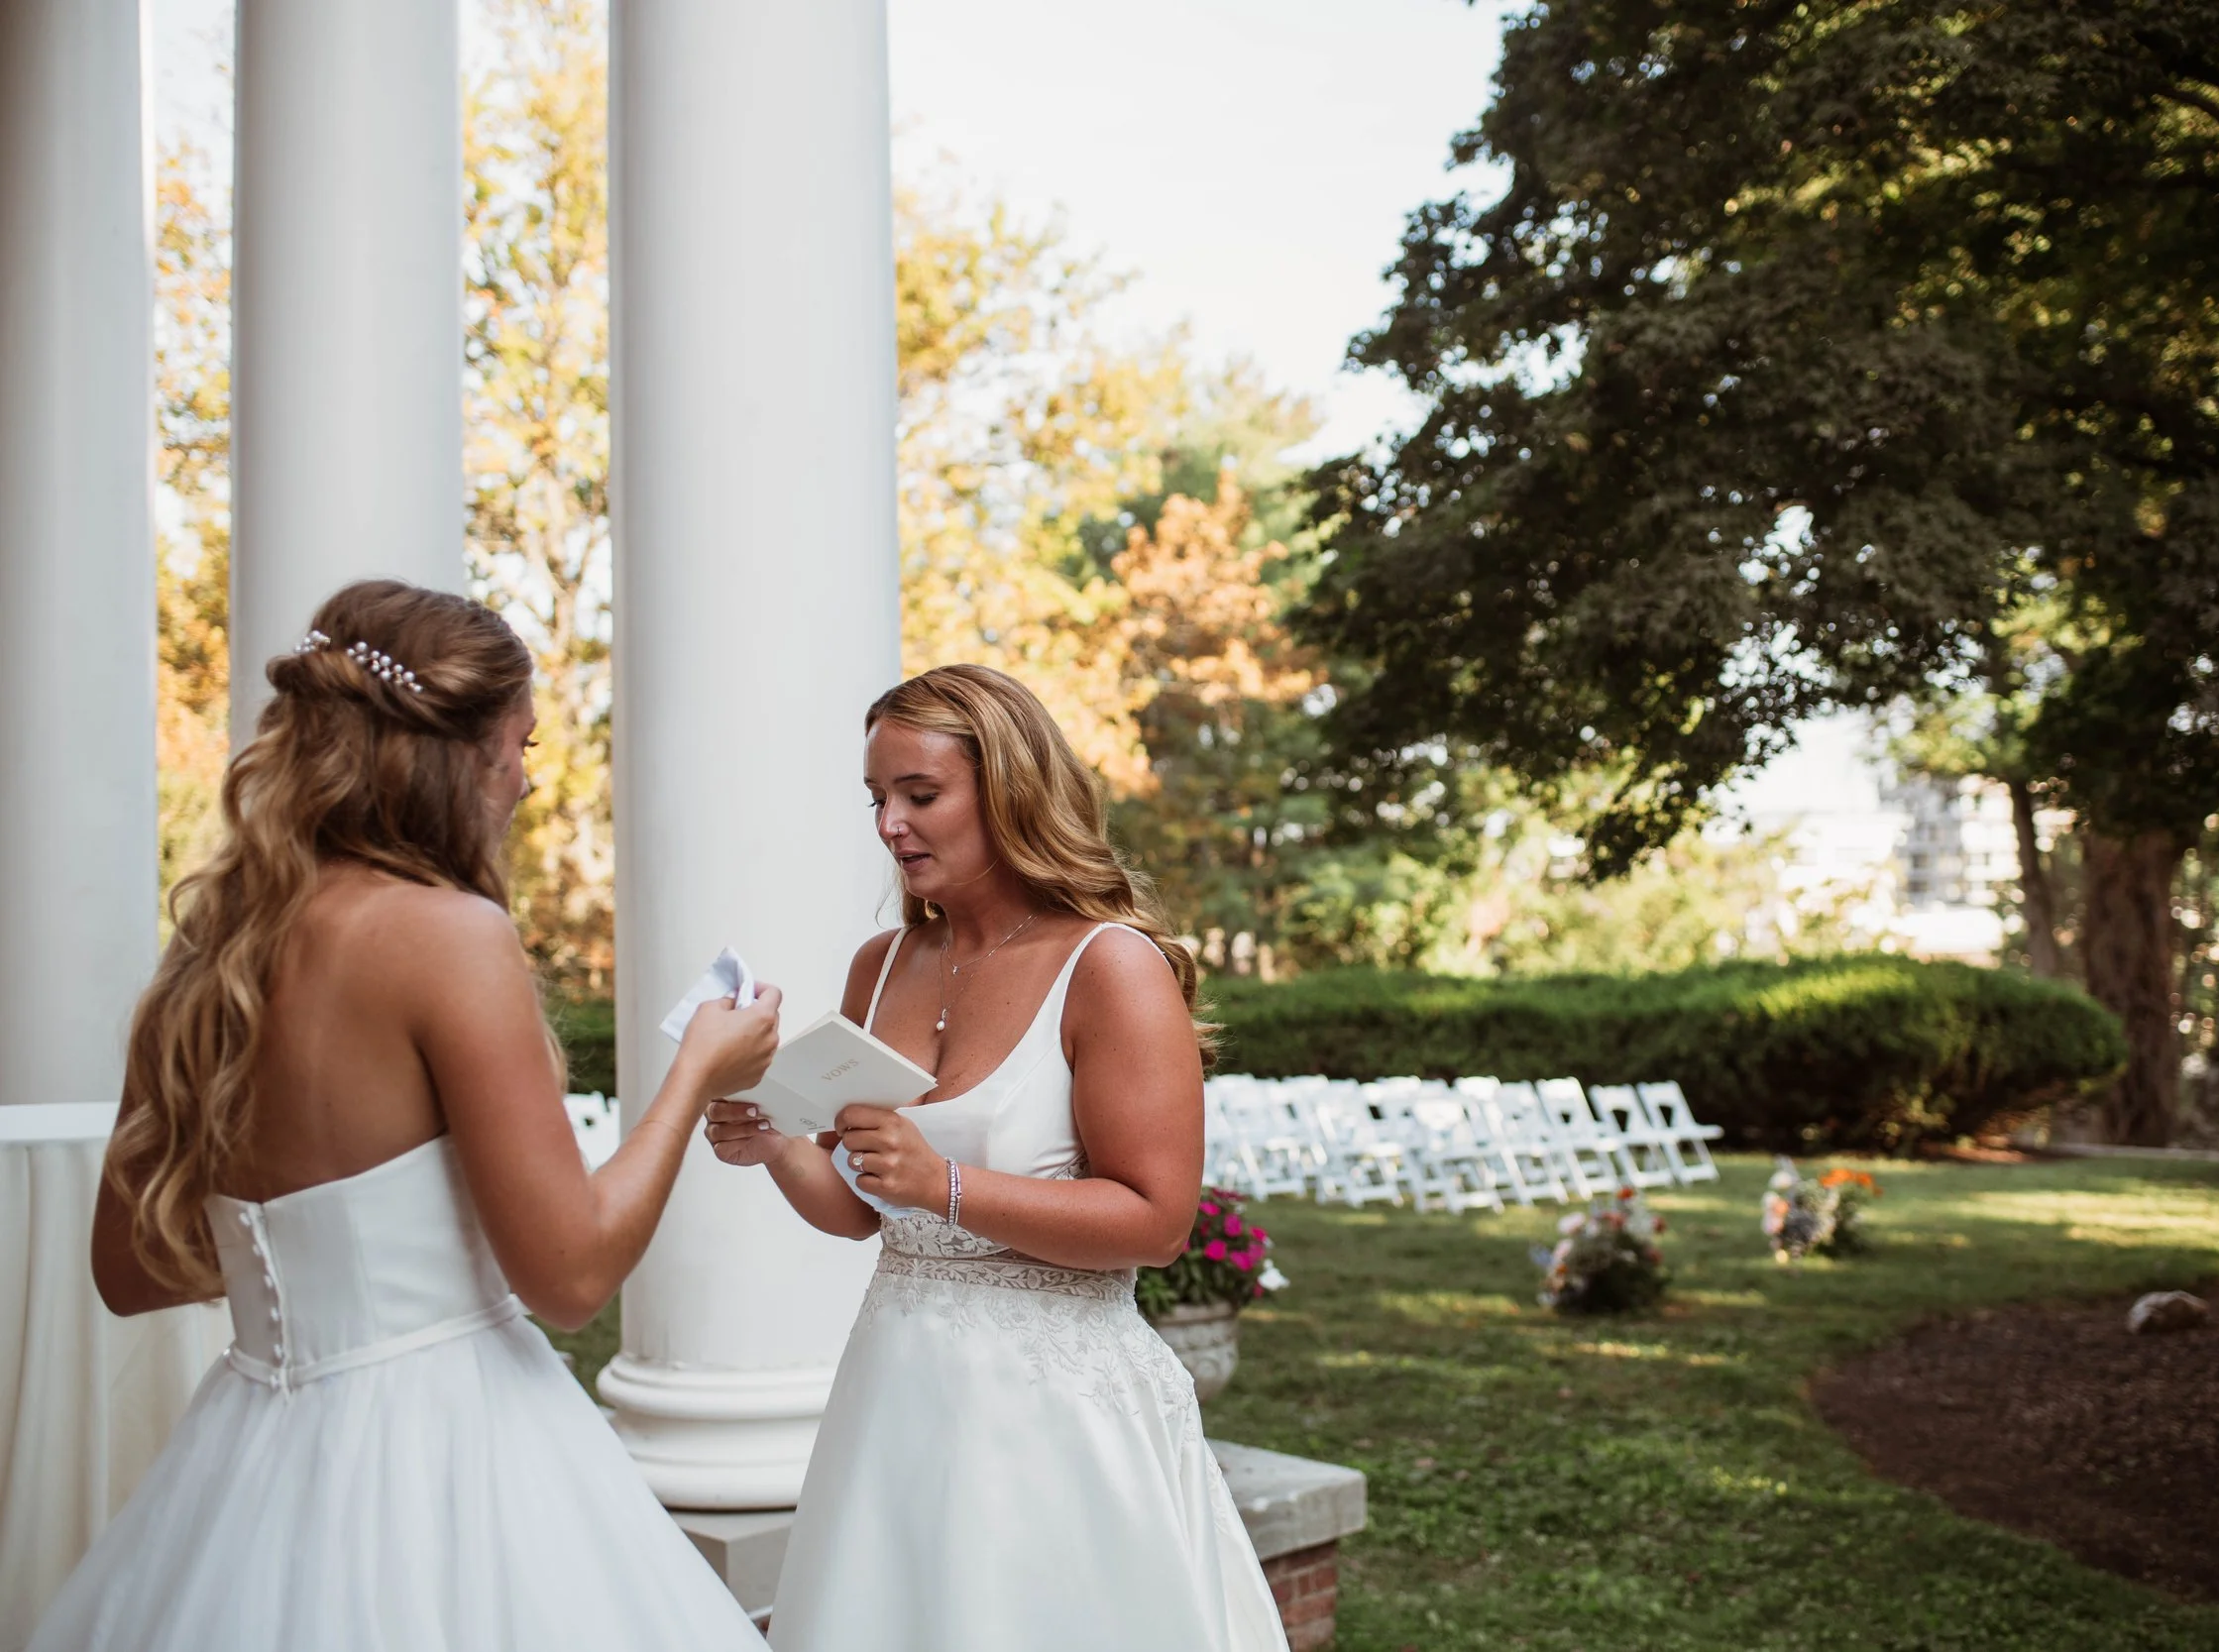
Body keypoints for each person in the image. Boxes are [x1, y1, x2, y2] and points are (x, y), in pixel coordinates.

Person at [33, 581, 780, 1652]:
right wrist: (696, 1074)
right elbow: (570, 1276)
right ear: (458, 753)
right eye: (520, 744)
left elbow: (131, 1267)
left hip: (246, 1465)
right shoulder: (450, 936)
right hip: (452, 1454)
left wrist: (317, 1267)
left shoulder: (212, 954)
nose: (526, 778)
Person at [705, 663, 1285, 1652]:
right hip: (895, 1395)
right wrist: (772, 1143)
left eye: (919, 794)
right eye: (878, 798)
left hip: (1054, 1417)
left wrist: (948, 1181)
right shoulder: (879, 963)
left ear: (1008, 788)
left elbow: (1154, 1219)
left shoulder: (1109, 965)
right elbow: (861, 1208)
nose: (890, 822)